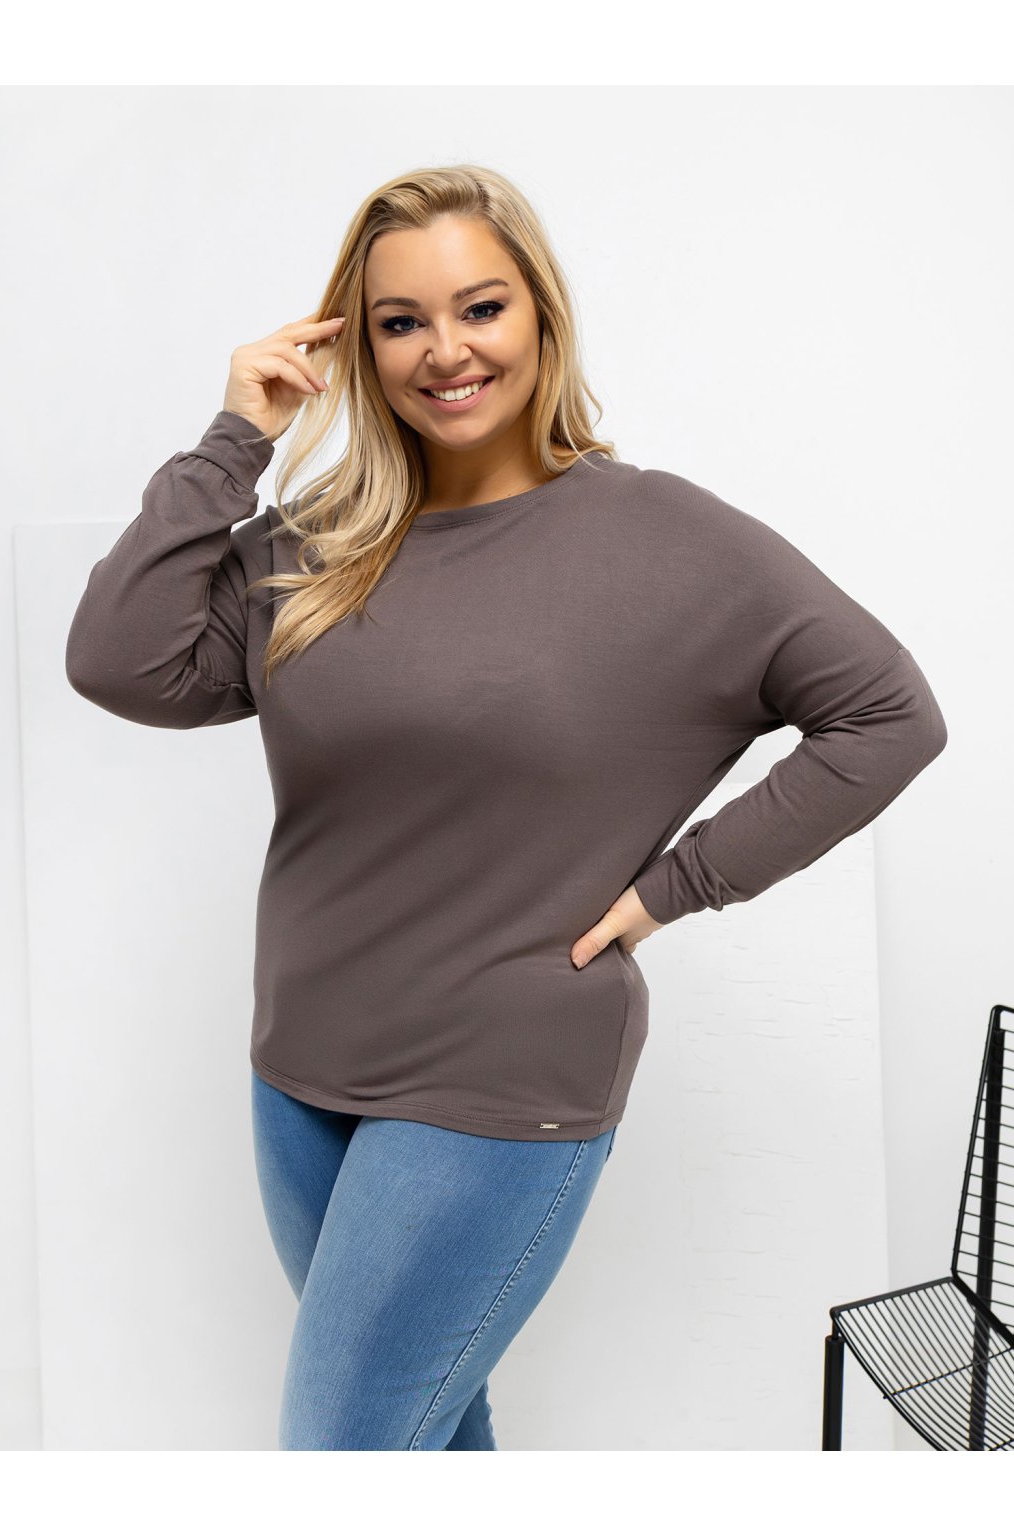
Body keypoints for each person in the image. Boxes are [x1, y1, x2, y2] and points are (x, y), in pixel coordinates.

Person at [64, 163, 947, 1451]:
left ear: (541, 313)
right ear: (358, 347)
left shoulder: (669, 541)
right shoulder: (318, 544)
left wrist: (680, 886)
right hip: (301, 1068)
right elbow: (117, 663)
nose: (446, 351)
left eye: (481, 308)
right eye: (401, 321)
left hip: (498, 1077)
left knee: (345, 1454)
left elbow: (890, 715)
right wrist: (234, 439)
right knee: (430, 1430)